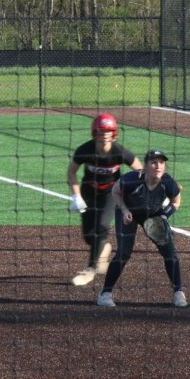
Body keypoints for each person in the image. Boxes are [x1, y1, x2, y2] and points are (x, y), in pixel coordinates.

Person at [96, 149, 186, 308]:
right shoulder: (131, 179)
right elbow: (115, 191)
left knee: (170, 253)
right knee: (124, 253)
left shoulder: (167, 182)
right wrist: (124, 210)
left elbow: (176, 201)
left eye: (161, 163)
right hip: (128, 213)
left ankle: (179, 292)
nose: (158, 166)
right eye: (154, 162)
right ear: (145, 166)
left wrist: (164, 216)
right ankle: (105, 293)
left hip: (153, 214)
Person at [67, 113, 143, 286]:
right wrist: (75, 195)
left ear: (114, 133)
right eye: (101, 131)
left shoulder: (120, 152)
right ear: (95, 132)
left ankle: (90, 270)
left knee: (101, 227)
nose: (105, 135)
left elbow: (139, 170)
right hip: (88, 193)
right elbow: (71, 172)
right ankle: (103, 249)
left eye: (108, 131)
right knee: (88, 236)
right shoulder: (85, 150)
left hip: (111, 194)